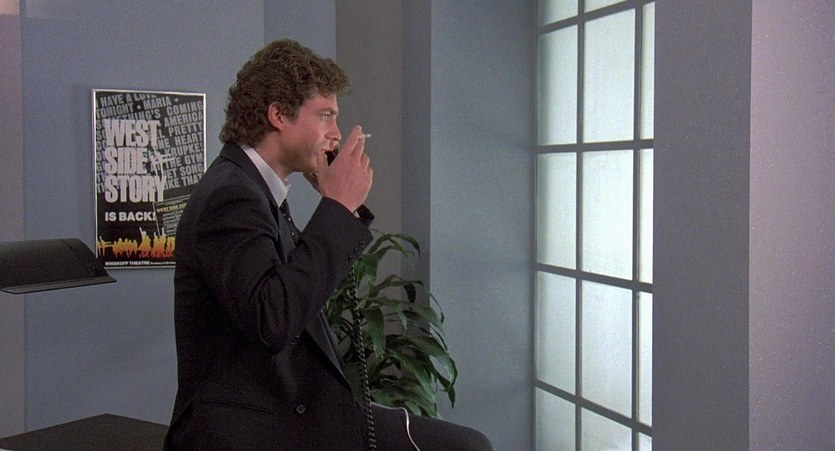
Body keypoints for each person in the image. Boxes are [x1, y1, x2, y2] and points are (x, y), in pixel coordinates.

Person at [165, 39, 492, 450]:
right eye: (325, 116)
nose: (336, 133)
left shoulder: (254, 188)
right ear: (278, 115)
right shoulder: (232, 196)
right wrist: (336, 207)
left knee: (469, 444)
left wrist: (340, 209)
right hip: (254, 429)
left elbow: (295, 291)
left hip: (293, 413)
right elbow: (273, 319)